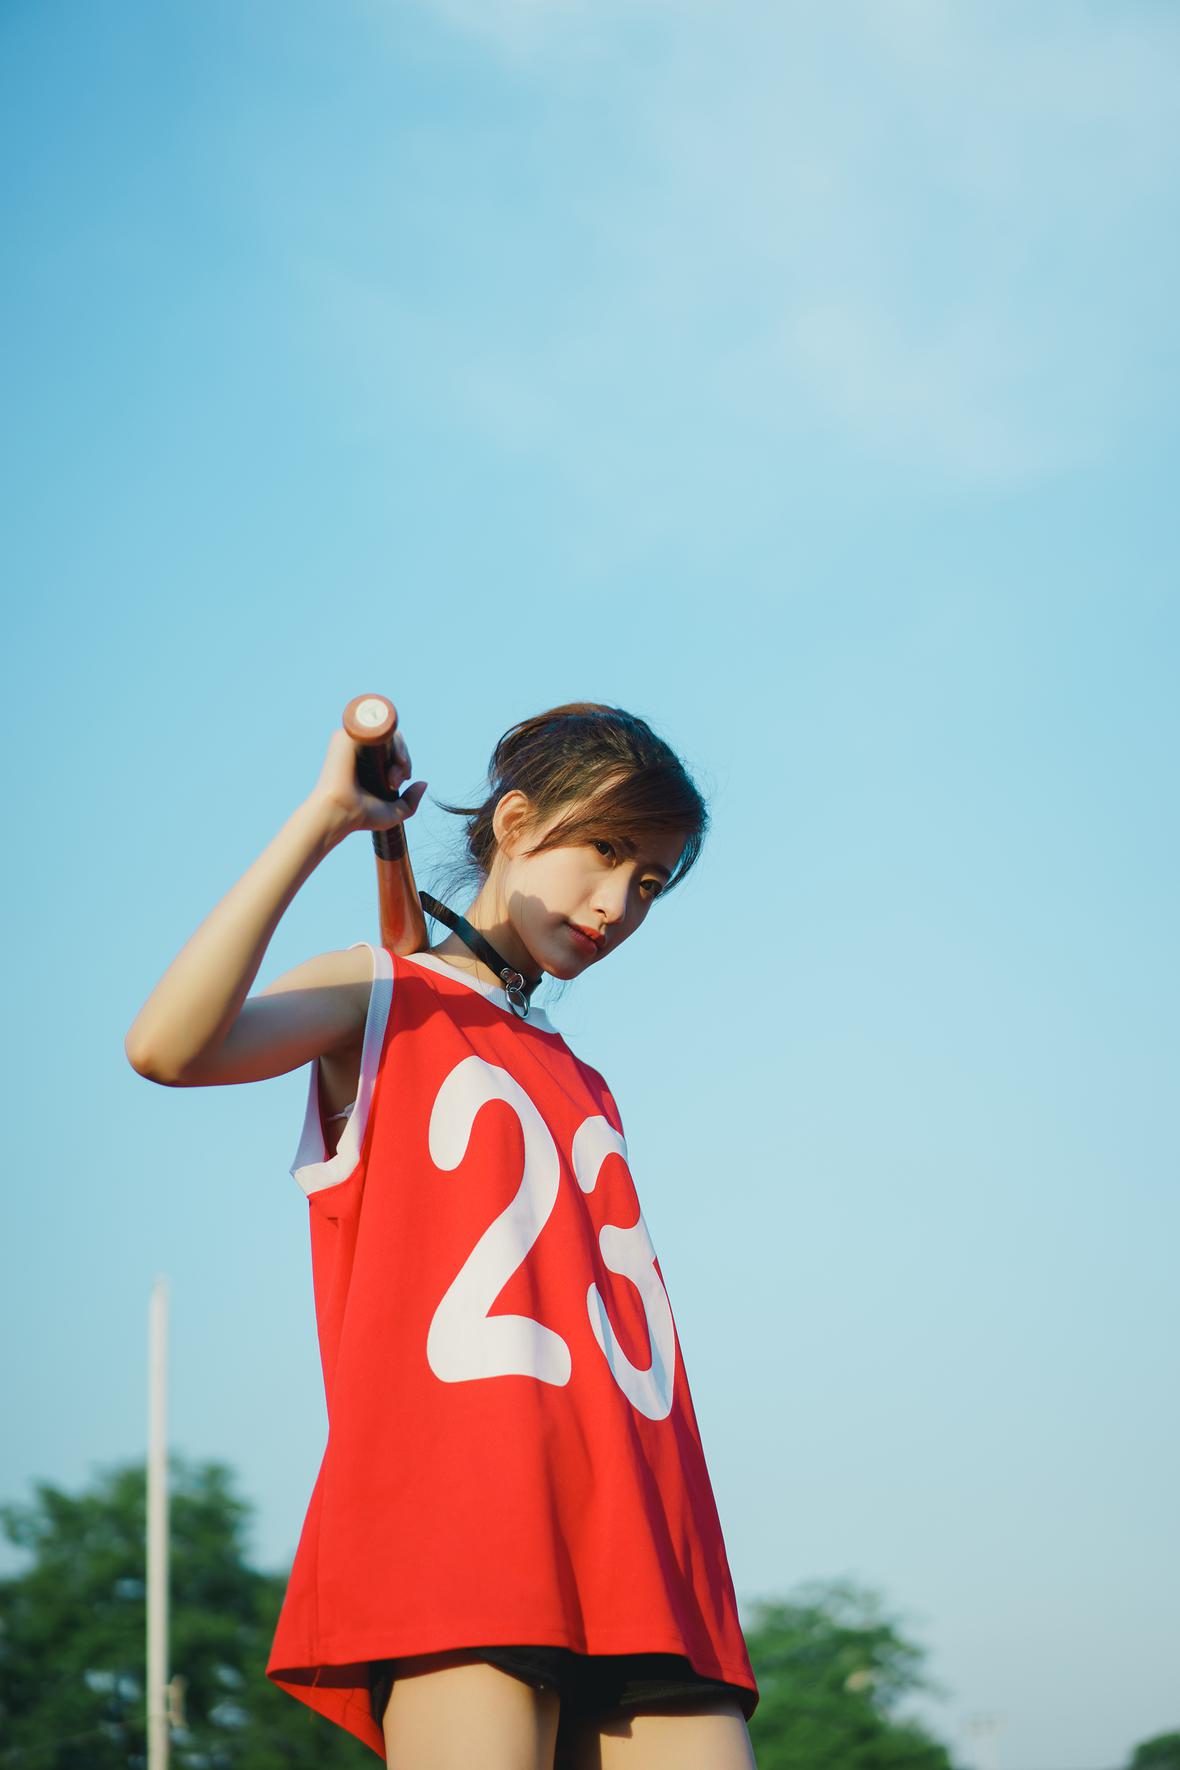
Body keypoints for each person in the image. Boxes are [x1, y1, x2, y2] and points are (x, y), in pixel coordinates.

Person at [125, 701, 760, 1770]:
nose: (617, 904)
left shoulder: (584, 1078)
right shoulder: (383, 995)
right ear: (515, 823)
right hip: (462, 1523)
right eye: (606, 852)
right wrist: (326, 819)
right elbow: (168, 1047)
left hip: (645, 1528)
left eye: (650, 881)